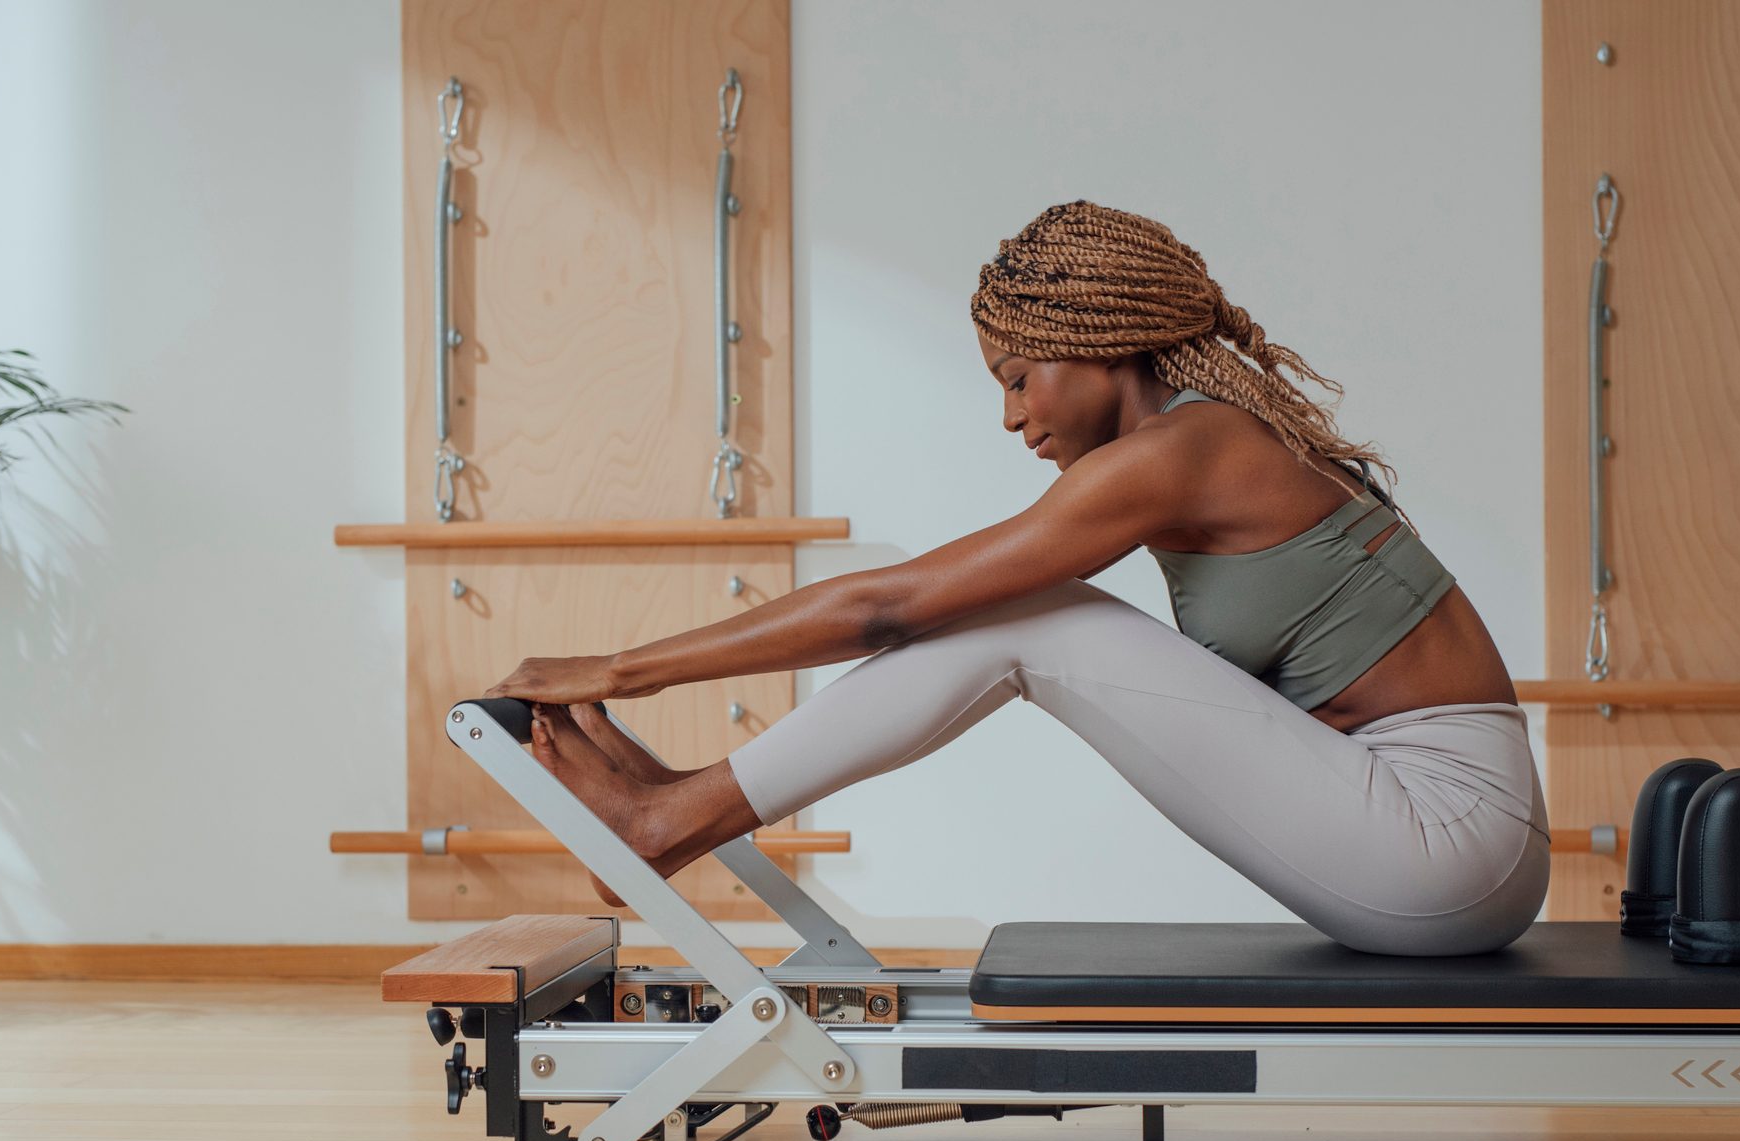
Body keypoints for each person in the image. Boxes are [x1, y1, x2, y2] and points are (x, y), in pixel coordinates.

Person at [483, 199, 1549, 957]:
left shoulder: (1181, 453)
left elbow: (890, 605)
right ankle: (677, 804)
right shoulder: (1203, 441)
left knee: (1034, 620)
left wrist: (622, 668)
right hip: (1437, 839)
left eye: (1018, 377)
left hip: (1447, 843)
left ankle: (671, 818)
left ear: (1098, 344)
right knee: (1031, 614)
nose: (1010, 416)